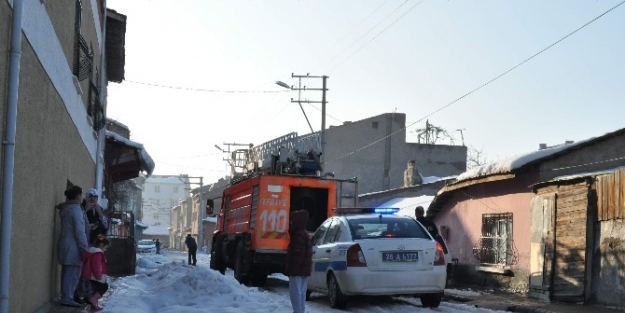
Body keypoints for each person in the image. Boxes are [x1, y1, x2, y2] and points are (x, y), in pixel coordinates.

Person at [57, 185, 90, 307]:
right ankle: (67, 298)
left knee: (67, 273)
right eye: (81, 195)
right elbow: (79, 231)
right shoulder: (75, 210)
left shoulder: (66, 208)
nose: (83, 197)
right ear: (78, 196)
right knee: (72, 273)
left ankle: (66, 296)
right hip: (74, 246)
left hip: (65, 243)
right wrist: (84, 248)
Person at [285, 210, 312, 313]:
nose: (291, 223)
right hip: (304, 270)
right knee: (301, 293)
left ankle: (298, 311)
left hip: (297, 271)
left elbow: (298, 254)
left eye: (292, 221)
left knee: (295, 294)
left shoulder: (298, 235)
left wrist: (292, 270)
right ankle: (300, 311)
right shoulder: (304, 234)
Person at [81, 235, 110, 311]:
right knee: (104, 287)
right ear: (101, 245)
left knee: (92, 289)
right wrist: (98, 275)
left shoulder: (91, 251)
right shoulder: (98, 253)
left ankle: (91, 301)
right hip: (94, 275)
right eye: (105, 247)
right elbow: (96, 265)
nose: (105, 250)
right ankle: (93, 300)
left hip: (89, 274)